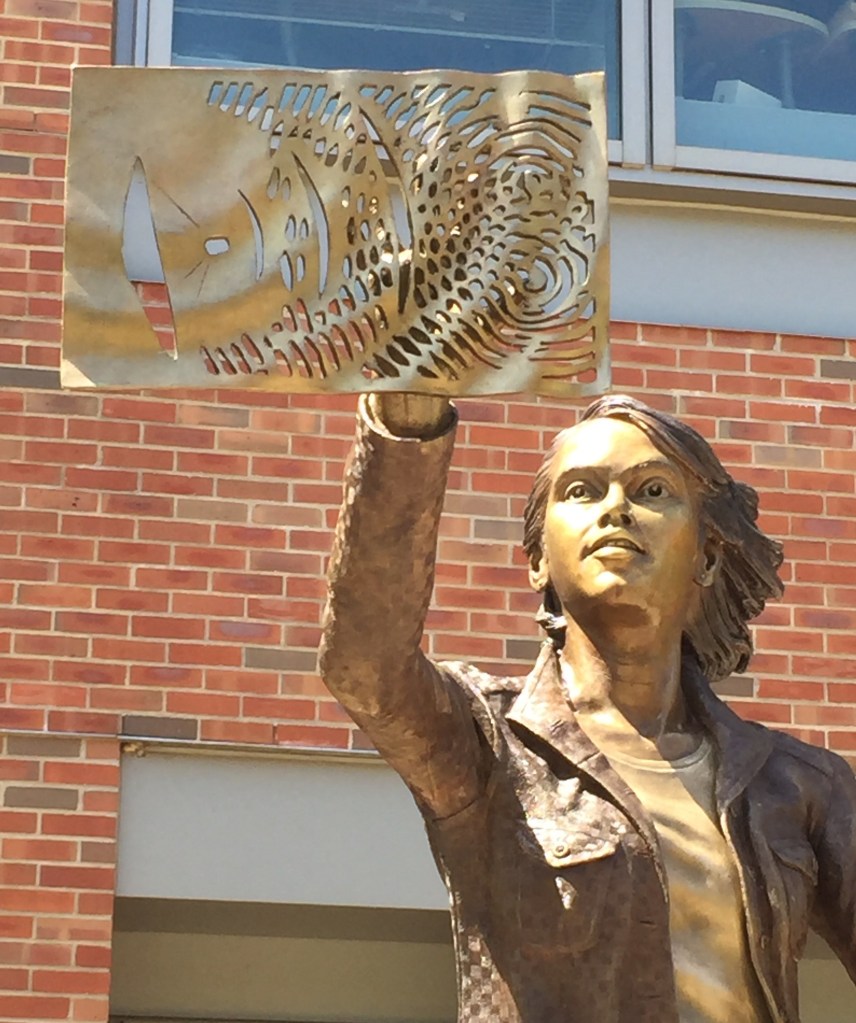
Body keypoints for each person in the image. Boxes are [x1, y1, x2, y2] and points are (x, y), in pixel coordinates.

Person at [320, 391, 856, 1023]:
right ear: (541, 558)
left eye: (653, 491)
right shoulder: (486, 742)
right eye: (581, 491)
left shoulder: (799, 784)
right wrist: (407, 427)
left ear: (708, 555)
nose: (616, 511)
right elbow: (366, 663)